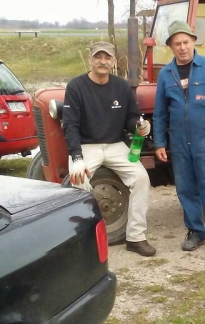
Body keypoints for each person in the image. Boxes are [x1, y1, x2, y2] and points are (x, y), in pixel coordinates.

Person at [63, 41, 156, 257]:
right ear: (90, 60)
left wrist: (141, 126)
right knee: (78, 181)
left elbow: (132, 118)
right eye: (98, 57)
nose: (102, 61)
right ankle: (85, 239)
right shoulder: (76, 87)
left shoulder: (121, 87)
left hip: (116, 145)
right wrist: (76, 158)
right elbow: (70, 125)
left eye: (107, 58)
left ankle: (135, 237)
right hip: (87, 146)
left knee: (141, 178)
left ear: (113, 62)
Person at [152, 21, 205, 259]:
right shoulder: (166, 74)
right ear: (170, 46)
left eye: (186, 42)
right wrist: (159, 142)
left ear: (193, 41)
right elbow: (159, 113)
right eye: (177, 43)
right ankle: (195, 232)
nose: (182, 47)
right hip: (179, 143)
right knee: (186, 189)